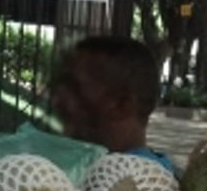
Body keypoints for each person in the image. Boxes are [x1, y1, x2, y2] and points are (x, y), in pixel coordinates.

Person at [49, 36, 176, 172]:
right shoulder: (83, 169)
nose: (57, 101)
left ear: (123, 105)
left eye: (75, 89)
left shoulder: (148, 184)